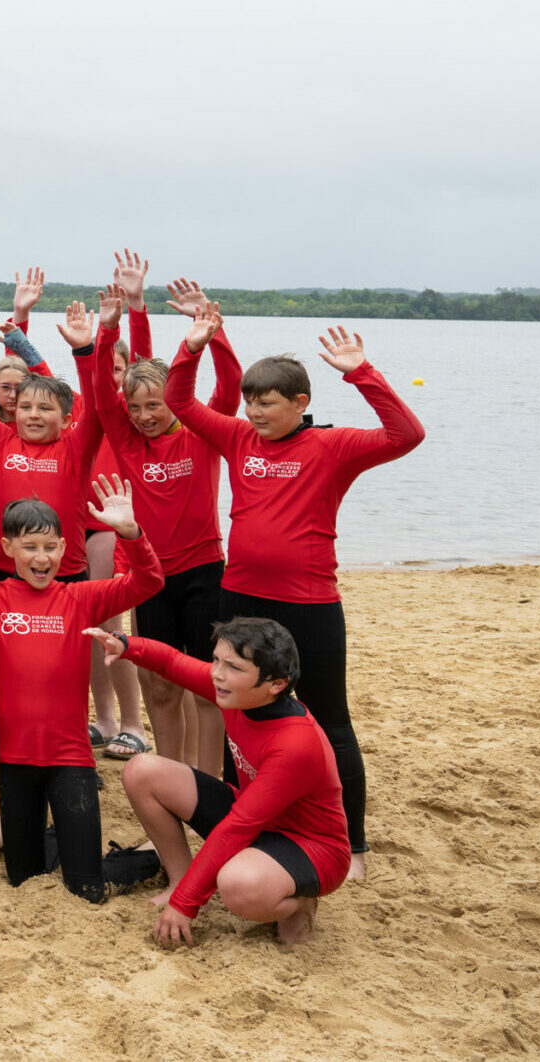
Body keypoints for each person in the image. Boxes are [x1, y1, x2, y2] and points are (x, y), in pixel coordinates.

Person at [169, 318, 423, 878]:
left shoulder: (332, 446)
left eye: (267, 403)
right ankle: (249, 824)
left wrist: (363, 374)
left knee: (330, 719)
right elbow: (180, 403)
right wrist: (192, 348)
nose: (255, 413)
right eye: (250, 402)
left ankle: (349, 845)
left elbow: (406, 435)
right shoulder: (238, 438)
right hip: (240, 599)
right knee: (243, 714)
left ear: (300, 401)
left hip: (309, 604)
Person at [0, 469, 161, 904]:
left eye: (50, 547)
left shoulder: (79, 597)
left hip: (71, 761)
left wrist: (133, 535)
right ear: (9, 548)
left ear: (65, 548)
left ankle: (149, 856)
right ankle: (58, 837)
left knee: (87, 888)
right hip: (16, 765)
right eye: (30, 547)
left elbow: (148, 583)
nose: (41, 557)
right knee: (22, 879)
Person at [91, 620, 349, 947]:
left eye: (233, 667)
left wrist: (185, 905)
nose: (217, 674)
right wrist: (126, 646)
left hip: (312, 846)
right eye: (216, 660)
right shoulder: (236, 693)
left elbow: (238, 826)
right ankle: (179, 879)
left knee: (238, 886)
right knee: (141, 770)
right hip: (255, 817)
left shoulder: (296, 744)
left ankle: (300, 901)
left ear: (277, 684)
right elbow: (172, 663)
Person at [88, 278, 244, 771]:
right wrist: (107, 332)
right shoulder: (129, 441)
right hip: (150, 578)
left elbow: (231, 386)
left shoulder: (201, 429)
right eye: (134, 408)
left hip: (202, 572)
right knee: (159, 683)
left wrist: (210, 334)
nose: (142, 416)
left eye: (153, 405)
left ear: (172, 400)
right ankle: (172, 775)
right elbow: (101, 395)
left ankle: (209, 779)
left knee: (206, 683)